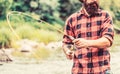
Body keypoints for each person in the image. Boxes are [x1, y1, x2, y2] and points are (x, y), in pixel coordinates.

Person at [62, 0, 114, 74]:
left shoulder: (105, 16)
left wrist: (87, 43)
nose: (95, 1)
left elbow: (107, 41)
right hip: (79, 71)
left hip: (102, 71)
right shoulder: (71, 20)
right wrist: (67, 51)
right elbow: (66, 43)